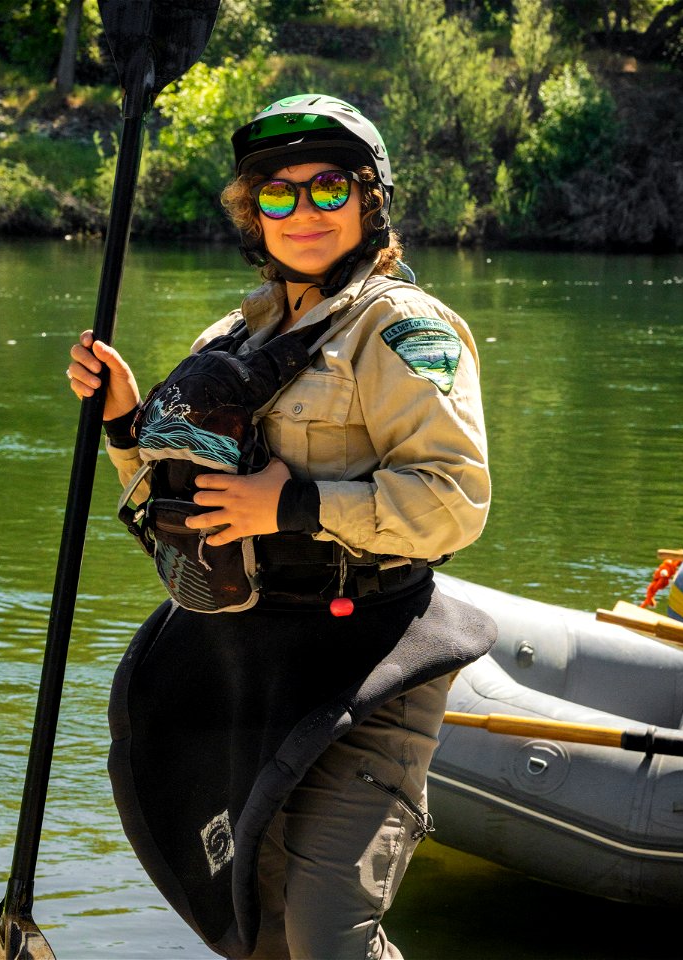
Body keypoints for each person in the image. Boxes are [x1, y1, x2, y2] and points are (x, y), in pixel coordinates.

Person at [66, 94, 492, 960]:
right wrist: (122, 422)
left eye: (328, 188)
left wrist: (291, 505)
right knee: (253, 926)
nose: (302, 212)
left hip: (369, 658)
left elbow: (454, 501)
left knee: (328, 932)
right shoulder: (233, 334)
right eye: (277, 194)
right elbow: (177, 506)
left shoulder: (402, 330)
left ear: (370, 200)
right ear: (251, 213)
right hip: (249, 660)